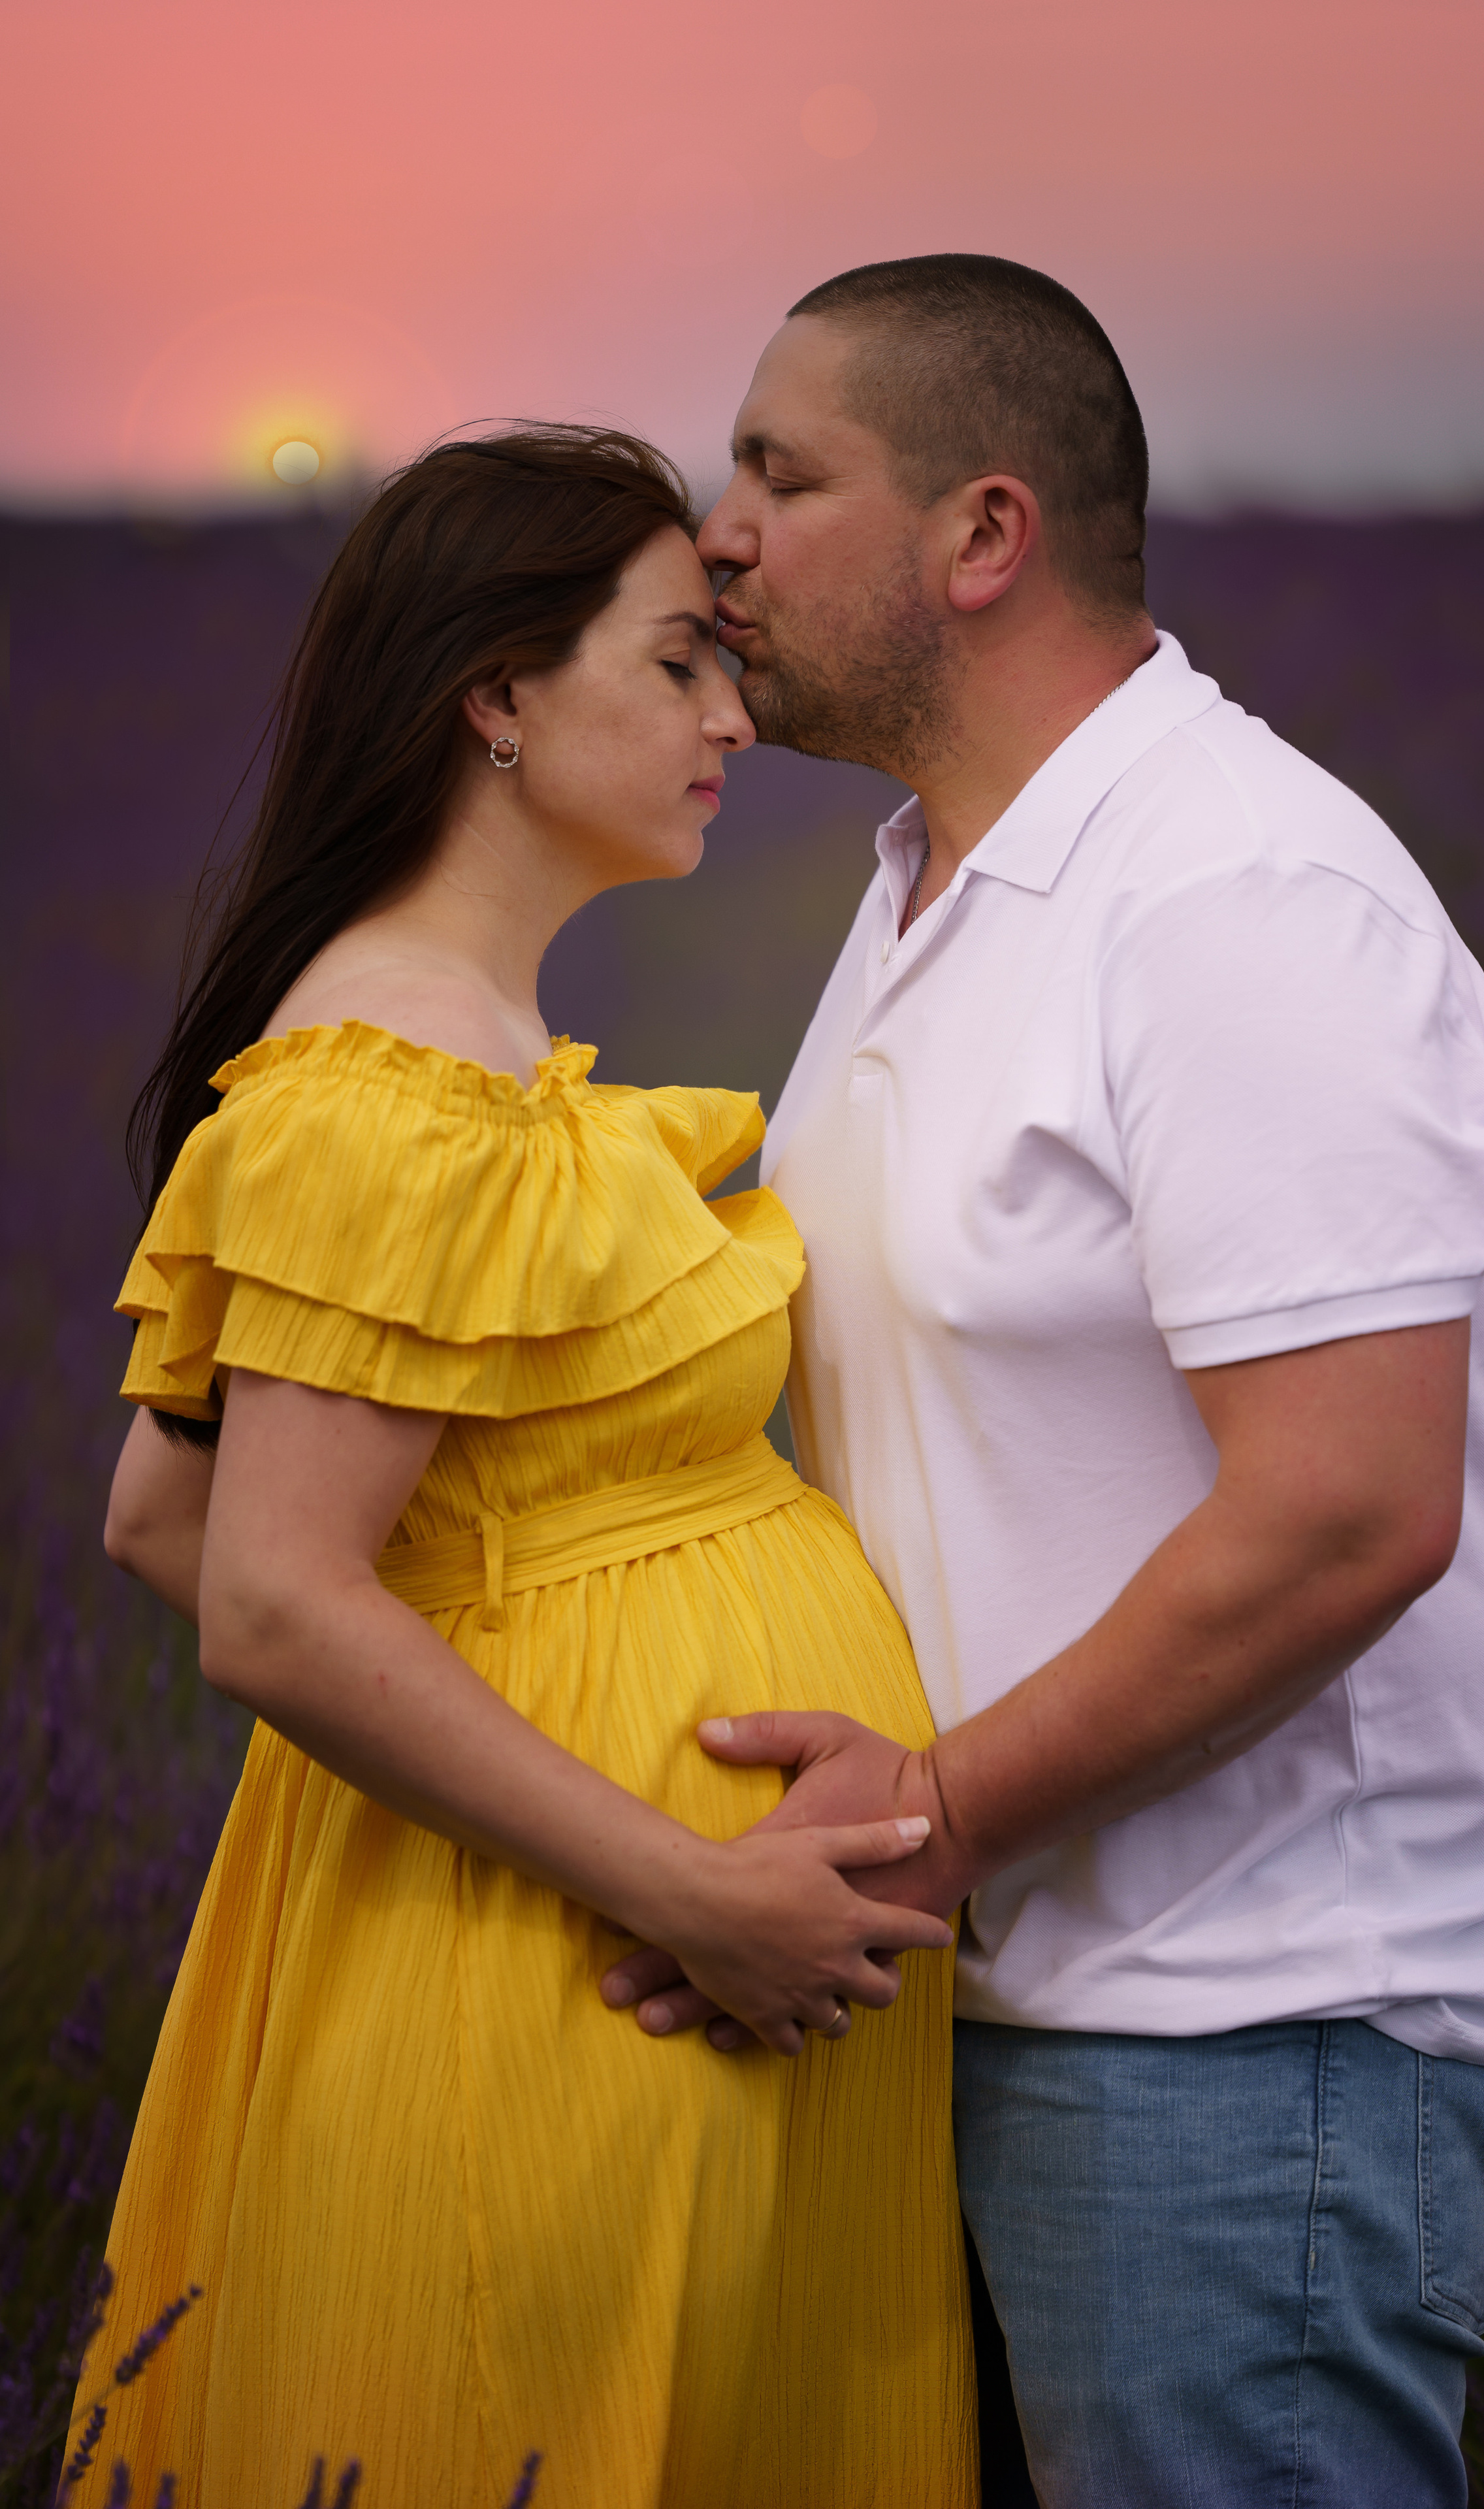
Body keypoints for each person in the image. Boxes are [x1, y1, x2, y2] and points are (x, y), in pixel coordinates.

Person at [601, 257, 1484, 2508]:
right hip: (1010, 2004)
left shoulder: (1238, 898)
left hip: (1253, 2047)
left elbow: (1351, 1504)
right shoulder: (939, 882)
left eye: (783, 471)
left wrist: (935, 1819)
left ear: (984, 536)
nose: (714, 527)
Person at [81, 425, 975, 2508]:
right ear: (495, 692)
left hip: (628, 1953)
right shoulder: (387, 1080)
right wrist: (682, 1877)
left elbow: (161, 1513)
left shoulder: (456, 1054)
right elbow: (268, 1594)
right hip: (611, 1971)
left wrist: (522, 1625)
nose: (734, 715)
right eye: (678, 664)